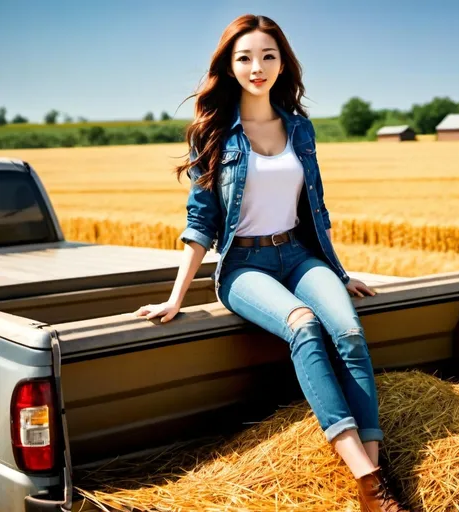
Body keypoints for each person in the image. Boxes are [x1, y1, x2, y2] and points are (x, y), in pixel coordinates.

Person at [134, 14, 410, 512]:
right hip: (244, 265)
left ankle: (375, 484)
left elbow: (316, 209)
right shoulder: (213, 132)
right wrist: (176, 298)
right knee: (304, 327)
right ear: (230, 65)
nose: (257, 66)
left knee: (347, 331)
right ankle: (367, 475)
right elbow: (200, 222)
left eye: (268, 56)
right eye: (245, 57)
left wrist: (339, 274)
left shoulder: (300, 129)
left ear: (283, 64)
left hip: (300, 255)